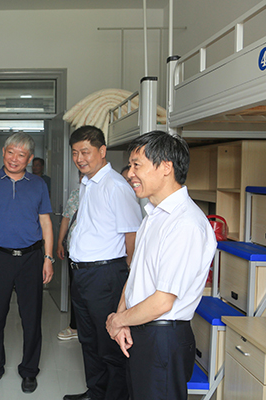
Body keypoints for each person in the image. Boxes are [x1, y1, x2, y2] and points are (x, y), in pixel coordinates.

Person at [106, 131, 217, 400]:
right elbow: (136, 275)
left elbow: (162, 301)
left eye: (137, 165)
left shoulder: (185, 224)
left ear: (166, 167)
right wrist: (122, 319)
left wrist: (117, 320)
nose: (130, 173)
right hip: (141, 331)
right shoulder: (153, 216)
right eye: (130, 166)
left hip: (163, 340)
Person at [64, 125, 142, 400]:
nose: (79, 158)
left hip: (106, 275)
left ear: (102, 151)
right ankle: (96, 392)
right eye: (75, 153)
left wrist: (127, 277)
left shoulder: (116, 186)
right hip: (83, 274)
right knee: (88, 338)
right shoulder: (88, 184)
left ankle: (114, 396)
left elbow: (132, 236)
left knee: (110, 341)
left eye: (85, 152)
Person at [0, 132, 54, 394]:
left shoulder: (38, 184)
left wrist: (48, 258)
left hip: (32, 258)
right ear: (3, 152)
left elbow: (45, 223)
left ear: (29, 159)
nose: (14, 159)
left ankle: (29, 370)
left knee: (31, 317)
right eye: (10, 152)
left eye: (21, 155)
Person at [55, 170, 84, 342]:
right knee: (75, 288)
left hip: (97, 254)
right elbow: (66, 219)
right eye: (81, 175)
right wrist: (60, 242)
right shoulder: (75, 194)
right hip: (74, 250)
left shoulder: (106, 191)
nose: (84, 178)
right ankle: (74, 327)